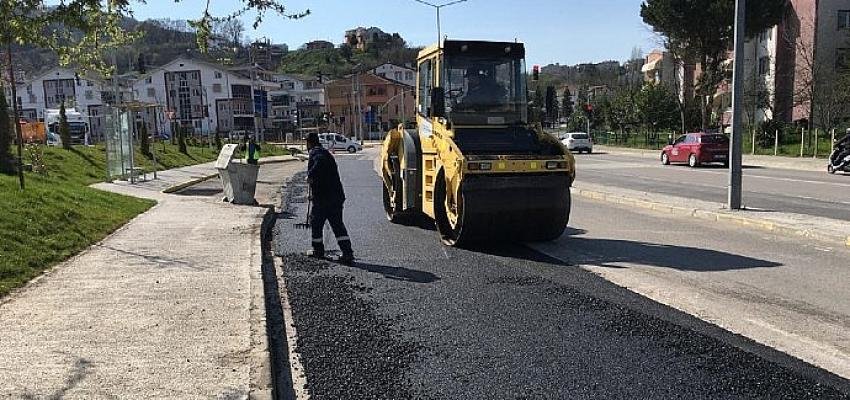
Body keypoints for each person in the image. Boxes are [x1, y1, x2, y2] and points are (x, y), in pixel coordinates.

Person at [305, 131, 355, 264]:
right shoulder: (324, 152)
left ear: (308, 143)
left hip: (323, 198)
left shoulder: (316, 153)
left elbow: (319, 164)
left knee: (316, 224)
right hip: (336, 196)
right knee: (337, 225)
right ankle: (347, 253)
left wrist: (310, 175)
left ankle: (318, 251)